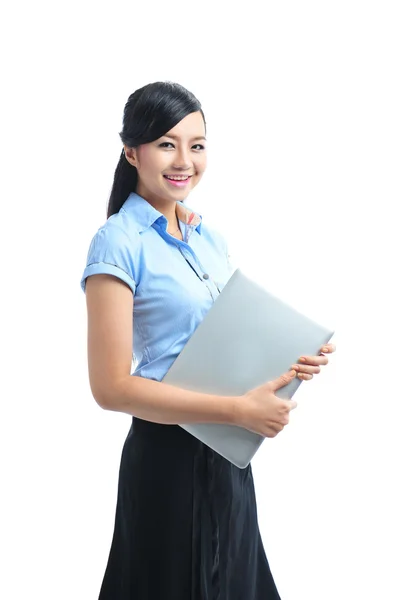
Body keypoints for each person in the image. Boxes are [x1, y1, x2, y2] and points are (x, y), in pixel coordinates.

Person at [80, 81, 335, 600]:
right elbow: (110, 388)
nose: (185, 160)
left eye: (197, 145)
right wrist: (238, 412)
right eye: (167, 143)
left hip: (227, 451)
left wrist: (287, 358)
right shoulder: (118, 241)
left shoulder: (207, 236)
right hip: (168, 458)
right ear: (132, 151)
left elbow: (219, 340)